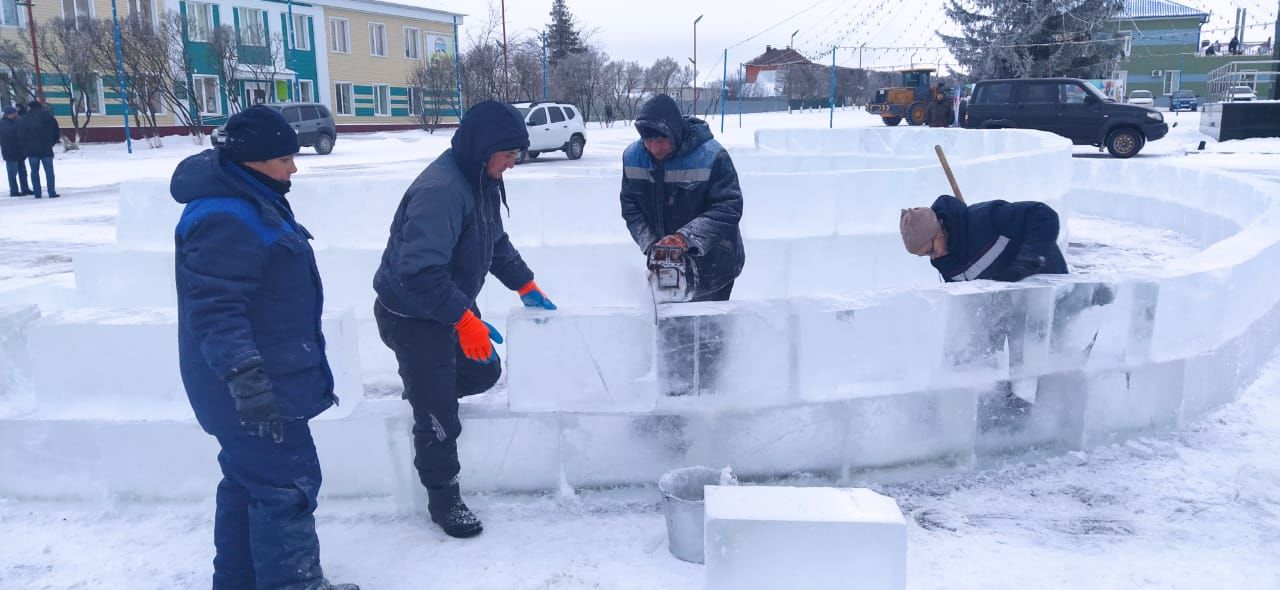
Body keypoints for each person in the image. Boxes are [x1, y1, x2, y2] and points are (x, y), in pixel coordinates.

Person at [171, 105, 358, 590]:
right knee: (285, 490)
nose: (293, 168)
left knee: (246, 486)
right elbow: (215, 309)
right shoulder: (226, 216)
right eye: (284, 159)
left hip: (255, 383)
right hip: (254, 389)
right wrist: (248, 383)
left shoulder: (246, 198)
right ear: (253, 161)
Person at [372, 100, 556, 539]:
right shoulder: (442, 191)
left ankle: (426, 389)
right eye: (509, 155)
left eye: (517, 155)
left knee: (484, 371)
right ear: (484, 147)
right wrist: (464, 319)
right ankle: (443, 497)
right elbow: (417, 273)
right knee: (439, 412)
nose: (513, 164)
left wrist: (524, 283)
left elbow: (493, 239)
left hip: (444, 304)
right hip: (412, 314)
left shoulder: (479, 178)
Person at [620, 93, 745, 302]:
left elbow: (728, 207)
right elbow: (631, 207)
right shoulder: (633, 157)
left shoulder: (712, 156)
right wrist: (653, 246)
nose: (654, 148)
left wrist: (683, 239)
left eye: (661, 140)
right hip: (666, 268)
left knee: (709, 330)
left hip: (714, 266)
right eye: (648, 141)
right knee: (670, 329)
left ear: (675, 132)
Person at [899, 194, 1067, 282]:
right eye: (924, 255)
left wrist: (1028, 259)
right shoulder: (947, 265)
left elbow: (1043, 215)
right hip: (1015, 311)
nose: (933, 257)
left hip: (1048, 288)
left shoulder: (987, 219)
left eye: (930, 251)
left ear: (938, 232)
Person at [17, 100, 59, 199]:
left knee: (34, 172)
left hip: (32, 150)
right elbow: (56, 132)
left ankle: (37, 193)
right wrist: (50, 143)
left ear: (30, 107)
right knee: (49, 172)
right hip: (46, 149)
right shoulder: (49, 117)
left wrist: (26, 146)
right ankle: (51, 192)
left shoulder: (25, 118)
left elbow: (21, 134)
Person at [0, 106, 32, 197]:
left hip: (20, 151)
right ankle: (14, 191)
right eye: (13, 113)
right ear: (7, 114)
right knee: (12, 173)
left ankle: (25, 188)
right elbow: (10, 135)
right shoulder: (3, 124)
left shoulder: (18, 121)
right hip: (10, 152)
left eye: (15, 113)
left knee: (23, 172)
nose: (15, 114)